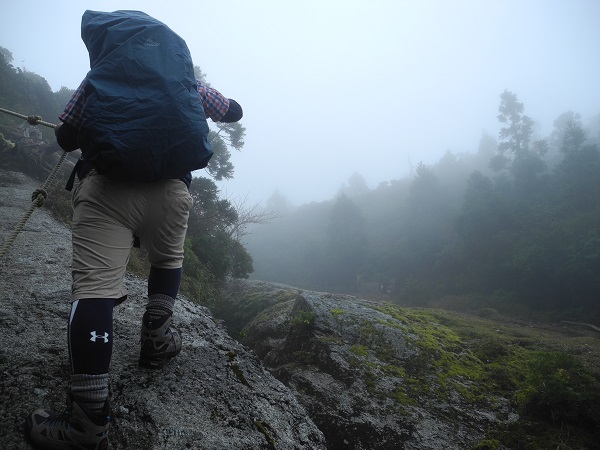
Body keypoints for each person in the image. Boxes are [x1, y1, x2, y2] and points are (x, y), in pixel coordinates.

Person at [24, 10, 242, 450]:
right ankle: (157, 339)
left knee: (94, 292)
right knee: (167, 260)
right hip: (171, 193)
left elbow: (66, 137)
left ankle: (86, 424)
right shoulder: (187, 82)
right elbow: (233, 112)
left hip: (108, 193)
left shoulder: (100, 77)